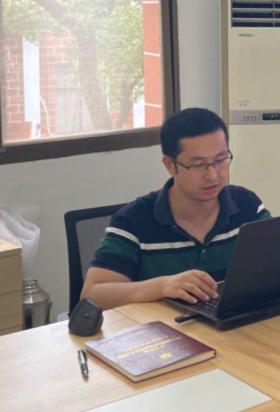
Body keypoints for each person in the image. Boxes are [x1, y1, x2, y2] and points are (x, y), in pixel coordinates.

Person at [81, 108, 269, 309]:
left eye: (220, 160)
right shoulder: (133, 221)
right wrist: (162, 286)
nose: (213, 175)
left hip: (230, 322)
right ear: (170, 165)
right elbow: (92, 296)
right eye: (198, 165)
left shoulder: (247, 206)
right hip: (162, 327)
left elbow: (279, 264)